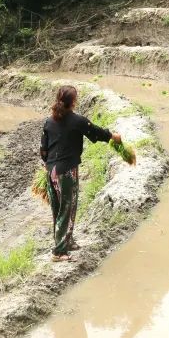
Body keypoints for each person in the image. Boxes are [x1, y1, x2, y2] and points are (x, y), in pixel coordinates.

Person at [40, 86, 121, 262]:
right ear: (73, 101)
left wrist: (49, 167)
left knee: (59, 208)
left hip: (51, 172)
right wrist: (113, 136)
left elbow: (43, 150)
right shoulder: (77, 121)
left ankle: (67, 241)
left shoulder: (49, 122)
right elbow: (96, 132)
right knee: (67, 209)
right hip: (66, 172)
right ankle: (59, 252)